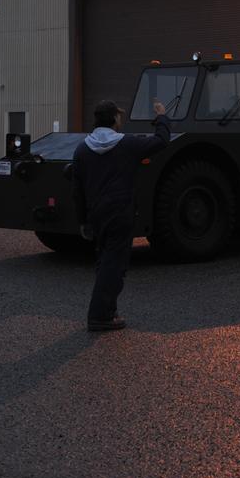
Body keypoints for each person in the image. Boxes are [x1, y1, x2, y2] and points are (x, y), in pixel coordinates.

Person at [72, 98, 170, 332]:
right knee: (114, 264)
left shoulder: (82, 149)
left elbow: (77, 190)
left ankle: (109, 310)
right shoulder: (127, 144)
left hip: (97, 213)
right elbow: (161, 141)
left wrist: (83, 220)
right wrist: (162, 116)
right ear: (115, 118)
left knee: (104, 260)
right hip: (121, 211)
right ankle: (100, 316)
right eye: (120, 116)